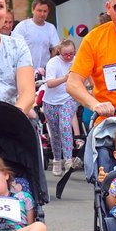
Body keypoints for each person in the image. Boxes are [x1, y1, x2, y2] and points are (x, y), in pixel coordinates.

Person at [43, 39, 79, 176]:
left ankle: (68, 159)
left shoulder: (76, 60)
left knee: (64, 125)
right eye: (66, 54)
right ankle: (57, 159)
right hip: (51, 101)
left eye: (71, 53)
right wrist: (65, 78)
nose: (69, 57)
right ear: (59, 52)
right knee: (55, 132)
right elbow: (50, 83)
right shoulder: (53, 63)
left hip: (68, 97)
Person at [11, 0, 60, 76]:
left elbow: (55, 48)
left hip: (44, 73)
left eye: (45, 11)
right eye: (39, 11)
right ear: (33, 10)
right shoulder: (23, 26)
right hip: (25, 71)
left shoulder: (51, 28)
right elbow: (14, 48)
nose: (42, 14)